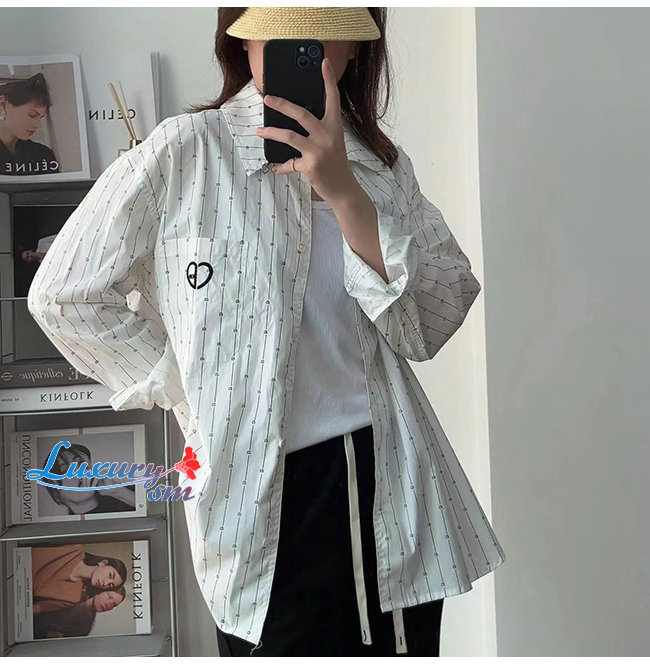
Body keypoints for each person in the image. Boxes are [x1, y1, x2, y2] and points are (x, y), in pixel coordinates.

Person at [27, 6, 507, 657]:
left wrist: (345, 194)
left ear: (356, 49)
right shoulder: (184, 152)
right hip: (249, 494)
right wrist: (183, 386)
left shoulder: (380, 167)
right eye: (280, 24)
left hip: (386, 482)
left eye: (324, 29)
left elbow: (435, 319)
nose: (302, 43)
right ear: (242, 37)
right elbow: (65, 293)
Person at [31, 543, 127, 615]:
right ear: (103, 563)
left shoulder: (75, 597)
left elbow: (38, 608)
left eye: (110, 585)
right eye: (110, 575)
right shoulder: (75, 549)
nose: (105, 583)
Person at [0, 73, 60, 176]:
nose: (38, 125)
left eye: (40, 118)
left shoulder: (43, 154)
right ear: (3, 104)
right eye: (32, 115)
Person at [33, 586, 126, 639]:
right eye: (109, 597)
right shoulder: (76, 591)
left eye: (114, 605)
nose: (109, 604)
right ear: (101, 591)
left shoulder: (85, 627)